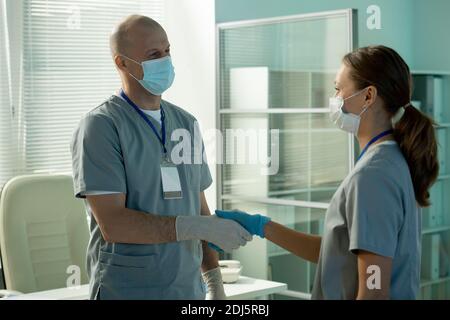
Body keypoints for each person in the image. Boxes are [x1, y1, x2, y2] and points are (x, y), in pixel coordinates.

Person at [217, 45, 439, 300]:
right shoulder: (388, 161)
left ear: (368, 96)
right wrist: (262, 226)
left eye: (338, 89)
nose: (334, 98)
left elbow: (374, 289)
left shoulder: (373, 176)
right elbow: (339, 252)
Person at [71, 15, 252, 300]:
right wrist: (194, 226)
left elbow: (199, 209)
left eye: (167, 51)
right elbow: (113, 224)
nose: (165, 61)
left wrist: (214, 282)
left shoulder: (186, 123)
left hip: (187, 290)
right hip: (127, 290)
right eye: (154, 54)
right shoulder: (102, 127)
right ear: (122, 63)